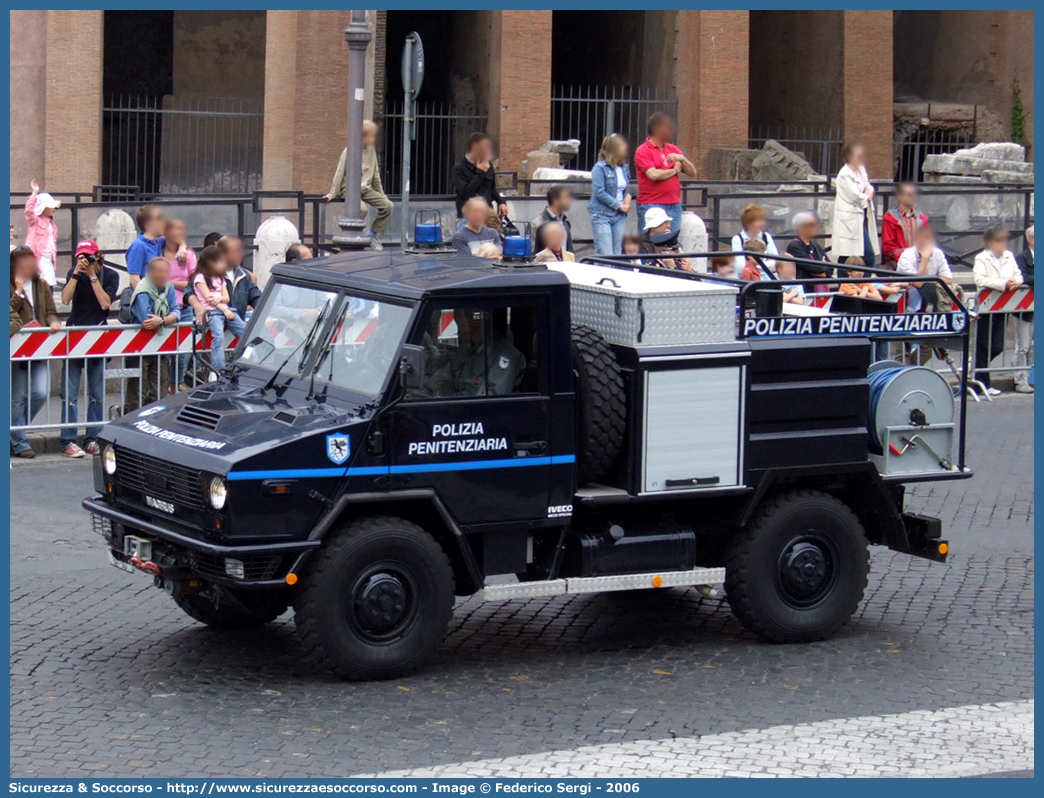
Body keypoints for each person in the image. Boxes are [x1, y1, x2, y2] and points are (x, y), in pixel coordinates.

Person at [58, 240, 118, 457]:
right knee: (70, 394)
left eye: (89, 257)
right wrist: (76, 274)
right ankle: (68, 440)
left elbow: (105, 304)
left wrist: (93, 276)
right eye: (81, 257)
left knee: (96, 393)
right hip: (74, 335)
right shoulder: (73, 273)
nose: (85, 261)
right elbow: (65, 299)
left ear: (98, 256)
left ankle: (93, 437)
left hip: (98, 337)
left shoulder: (110, 275)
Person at [10, 246, 61, 458]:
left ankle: (14, 429)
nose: (27, 268)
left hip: (40, 345)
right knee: (19, 395)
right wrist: (18, 292)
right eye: (23, 266)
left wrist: (54, 322)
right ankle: (20, 442)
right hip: (18, 348)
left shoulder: (42, 285)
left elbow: (50, 311)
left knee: (41, 392)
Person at [323, 120, 393, 250]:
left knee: (387, 206)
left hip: (366, 188)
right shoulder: (349, 150)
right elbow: (339, 173)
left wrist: (381, 194)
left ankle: (371, 235)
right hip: (350, 190)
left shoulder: (371, 151)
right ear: (363, 137)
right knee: (363, 209)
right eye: (371, 136)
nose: (373, 139)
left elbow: (375, 174)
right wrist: (332, 193)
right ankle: (351, 235)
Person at [123, 257, 180, 414]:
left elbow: (177, 311)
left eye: (166, 272)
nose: (163, 275)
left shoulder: (169, 288)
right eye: (160, 272)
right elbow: (146, 320)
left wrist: (162, 320)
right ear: (151, 273)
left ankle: (155, 420)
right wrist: (168, 319)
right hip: (138, 348)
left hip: (160, 346)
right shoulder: (142, 291)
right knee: (138, 390)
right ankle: (132, 420)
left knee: (160, 388)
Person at [973, 227, 1023, 395]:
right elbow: (980, 279)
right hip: (986, 306)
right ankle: (982, 384)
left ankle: (974, 366)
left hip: (1002, 306)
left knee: (997, 345)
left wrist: (1015, 281)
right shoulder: (981, 258)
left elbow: (1018, 274)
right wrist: (1003, 284)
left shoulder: (1009, 256)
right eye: (1000, 240)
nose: (1004, 243)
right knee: (983, 345)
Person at [432, 309, 525, 397]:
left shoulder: (504, 356)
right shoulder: (467, 351)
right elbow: (440, 380)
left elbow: (492, 399)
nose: (457, 324)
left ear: (473, 319)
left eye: (459, 319)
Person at [634, 112, 696, 243]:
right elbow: (653, 175)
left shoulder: (673, 149)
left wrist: (682, 159)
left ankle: (671, 264)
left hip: (674, 204)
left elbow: (693, 173)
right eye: (667, 127)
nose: (671, 131)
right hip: (652, 204)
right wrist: (674, 170)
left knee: (672, 243)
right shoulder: (643, 151)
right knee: (650, 243)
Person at [190, 246, 245, 372]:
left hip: (225, 310)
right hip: (213, 312)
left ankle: (243, 362)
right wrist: (223, 308)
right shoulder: (200, 278)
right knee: (218, 337)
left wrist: (220, 300)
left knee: (244, 331)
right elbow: (209, 299)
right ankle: (218, 368)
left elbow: (226, 297)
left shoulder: (220, 278)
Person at [831, 141, 880, 267]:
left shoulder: (860, 170)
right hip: (849, 218)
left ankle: (857, 282)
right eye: (859, 156)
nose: (862, 158)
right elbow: (855, 196)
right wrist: (867, 196)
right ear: (850, 157)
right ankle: (846, 283)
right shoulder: (844, 175)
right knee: (857, 254)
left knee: (857, 253)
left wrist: (870, 190)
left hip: (862, 214)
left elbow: (867, 185)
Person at [163, 219, 197, 391]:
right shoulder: (158, 251)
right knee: (164, 352)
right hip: (164, 308)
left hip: (184, 308)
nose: (181, 233)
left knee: (183, 354)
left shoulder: (188, 255)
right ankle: (162, 388)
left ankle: (174, 387)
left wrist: (170, 282)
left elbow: (193, 283)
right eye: (176, 230)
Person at [589, 134, 632, 255]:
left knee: (617, 253)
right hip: (602, 214)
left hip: (620, 216)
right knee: (605, 253)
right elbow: (599, 192)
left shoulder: (624, 167)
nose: (625, 147)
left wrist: (627, 198)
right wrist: (619, 205)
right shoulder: (600, 167)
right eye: (622, 145)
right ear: (614, 148)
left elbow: (625, 187)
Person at [896, 225, 954, 312]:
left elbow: (948, 280)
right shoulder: (906, 256)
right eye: (923, 239)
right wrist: (924, 259)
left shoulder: (938, 253)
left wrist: (927, 281)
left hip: (932, 296)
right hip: (908, 299)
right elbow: (918, 283)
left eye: (928, 239)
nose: (926, 242)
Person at [452, 132, 507, 221]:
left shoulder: (488, 165)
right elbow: (466, 193)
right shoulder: (459, 168)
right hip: (468, 217)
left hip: (487, 215)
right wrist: (480, 172)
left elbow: (492, 189)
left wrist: (501, 202)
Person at [881, 182, 928, 268]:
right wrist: (906, 259)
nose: (914, 197)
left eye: (914, 194)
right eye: (910, 195)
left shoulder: (922, 218)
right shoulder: (890, 217)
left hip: (919, 260)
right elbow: (889, 246)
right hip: (899, 261)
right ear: (900, 197)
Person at [23, 180, 61, 286]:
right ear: (43, 207)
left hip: (48, 261)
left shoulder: (52, 224)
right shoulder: (35, 220)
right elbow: (29, 211)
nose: (54, 208)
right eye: (51, 205)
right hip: (36, 259)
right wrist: (34, 192)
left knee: (48, 288)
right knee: (36, 288)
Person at [785, 212, 834, 292]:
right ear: (799, 227)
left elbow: (830, 268)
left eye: (815, 224)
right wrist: (822, 267)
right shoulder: (794, 246)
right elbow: (812, 267)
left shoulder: (815, 245)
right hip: (804, 290)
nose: (814, 227)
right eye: (810, 225)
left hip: (820, 290)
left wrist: (822, 269)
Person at [1013, 226, 1034, 393]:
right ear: (1032, 240)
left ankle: (1031, 377)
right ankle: (1020, 379)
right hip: (1025, 310)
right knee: (1023, 346)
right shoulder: (1021, 258)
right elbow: (1023, 278)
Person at [730, 204, 779, 274]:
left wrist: (755, 266)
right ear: (748, 223)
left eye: (762, 220)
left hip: (767, 279)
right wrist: (765, 265)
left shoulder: (766, 237)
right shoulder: (737, 239)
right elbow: (740, 266)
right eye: (758, 221)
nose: (763, 223)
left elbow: (776, 262)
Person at [126, 204, 166, 288]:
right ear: (148, 223)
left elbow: (176, 239)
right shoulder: (138, 246)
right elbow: (134, 279)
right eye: (159, 218)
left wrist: (182, 248)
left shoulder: (158, 242)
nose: (163, 221)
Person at [531, 185, 574, 253]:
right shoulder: (537, 223)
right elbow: (532, 252)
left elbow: (569, 250)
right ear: (555, 200)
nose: (569, 201)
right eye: (566, 198)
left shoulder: (566, 222)